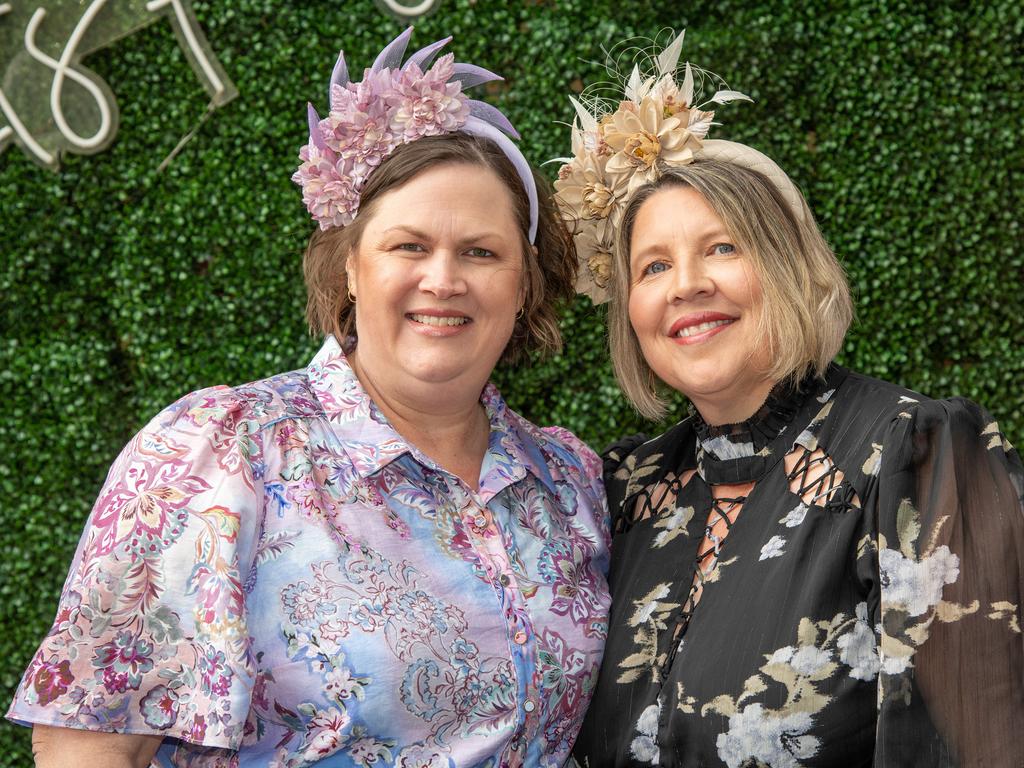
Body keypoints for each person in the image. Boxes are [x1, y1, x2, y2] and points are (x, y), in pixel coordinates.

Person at [7, 29, 611, 767]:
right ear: (351, 267)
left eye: (481, 252)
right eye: (408, 246)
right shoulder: (222, 452)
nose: (444, 279)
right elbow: (91, 740)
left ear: (523, 287)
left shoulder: (567, 482)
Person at [554, 31, 1024, 767]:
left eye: (722, 248)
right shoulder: (626, 489)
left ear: (790, 268)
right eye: (653, 265)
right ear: (632, 313)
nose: (686, 285)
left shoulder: (915, 454)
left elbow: (989, 739)